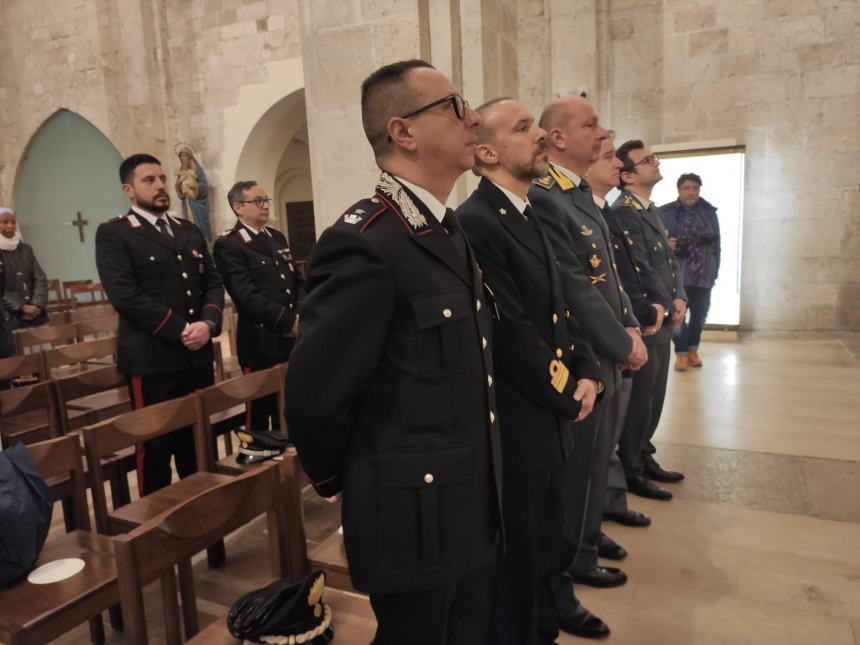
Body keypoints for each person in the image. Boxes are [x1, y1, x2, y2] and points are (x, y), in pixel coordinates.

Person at [283, 60, 501, 645]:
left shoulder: (445, 230)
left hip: (466, 494)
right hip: (411, 511)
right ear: (403, 132)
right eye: (455, 106)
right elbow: (314, 393)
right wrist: (352, 480)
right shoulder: (366, 243)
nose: (474, 116)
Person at [457, 97, 601, 645]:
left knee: (546, 547)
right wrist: (569, 392)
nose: (541, 134)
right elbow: (512, 332)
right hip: (520, 421)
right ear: (488, 151)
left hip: (553, 410)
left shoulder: (531, 210)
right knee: (517, 562)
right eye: (523, 128)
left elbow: (564, 305)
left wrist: (586, 366)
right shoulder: (476, 222)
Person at [529, 96, 647, 640]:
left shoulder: (580, 194)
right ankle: (571, 565)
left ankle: (583, 544)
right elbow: (574, 285)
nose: (604, 133)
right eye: (591, 124)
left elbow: (609, 279)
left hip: (603, 346)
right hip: (582, 353)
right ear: (555, 138)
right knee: (577, 475)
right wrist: (615, 340)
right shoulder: (547, 197)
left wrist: (626, 326)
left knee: (596, 464)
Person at [96, 153, 224, 496]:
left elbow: (212, 282)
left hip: (196, 356)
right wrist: (181, 329)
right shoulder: (115, 234)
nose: (161, 186)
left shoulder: (188, 230)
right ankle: (157, 526)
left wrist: (208, 323)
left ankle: (202, 510)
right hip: (153, 359)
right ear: (128, 189)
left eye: (162, 178)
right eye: (149, 180)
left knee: (196, 440)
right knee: (154, 445)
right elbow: (125, 296)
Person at [585, 137, 672, 530]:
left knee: (641, 406)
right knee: (613, 424)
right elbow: (590, 285)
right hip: (611, 335)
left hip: (639, 323)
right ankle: (600, 512)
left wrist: (667, 302)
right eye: (607, 157)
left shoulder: (606, 211)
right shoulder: (596, 212)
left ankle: (618, 489)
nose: (616, 167)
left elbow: (656, 266)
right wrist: (630, 328)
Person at [612, 140, 687, 497]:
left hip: (664, 314)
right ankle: (631, 468)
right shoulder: (624, 213)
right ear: (626, 176)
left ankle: (644, 454)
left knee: (655, 397)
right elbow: (639, 271)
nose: (655, 163)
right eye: (646, 161)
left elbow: (669, 264)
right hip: (650, 318)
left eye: (654, 157)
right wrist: (664, 306)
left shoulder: (649, 209)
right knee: (641, 400)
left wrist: (681, 296)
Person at [213, 181, 303, 438]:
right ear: (238, 207)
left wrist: (301, 314)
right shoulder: (230, 245)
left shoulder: (276, 237)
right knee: (261, 415)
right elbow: (247, 297)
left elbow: (297, 282)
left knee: (291, 407)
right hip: (261, 341)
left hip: (292, 339)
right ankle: (262, 468)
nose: (265, 206)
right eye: (258, 201)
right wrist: (288, 322)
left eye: (266, 200)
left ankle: (289, 466)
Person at [660, 173, 721, 371]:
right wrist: (666, 244)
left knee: (700, 316)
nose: (691, 192)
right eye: (686, 188)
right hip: (678, 274)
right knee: (677, 317)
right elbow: (655, 243)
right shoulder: (664, 213)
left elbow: (717, 244)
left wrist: (716, 269)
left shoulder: (709, 212)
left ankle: (693, 349)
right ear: (679, 190)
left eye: (695, 188)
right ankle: (681, 353)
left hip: (704, 274)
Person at [0, 208, 49, 331]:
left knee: (45, 348)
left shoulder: (26, 249)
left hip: (34, 314)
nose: (10, 226)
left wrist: (36, 305)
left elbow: (40, 278)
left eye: (13, 222)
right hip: (7, 316)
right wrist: (21, 306)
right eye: (4, 222)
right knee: (16, 349)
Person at [175, 146, 212, 241]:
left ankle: (206, 243)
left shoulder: (197, 170)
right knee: (188, 225)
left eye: (185, 156)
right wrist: (179, 186)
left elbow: (204, 186)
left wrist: (193, 186)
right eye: (181, 156)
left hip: (197, 203)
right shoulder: (181, 171)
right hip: (187, 204)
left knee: (201, 226)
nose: (183, 158)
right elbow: (179, 190)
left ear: (189, 157)